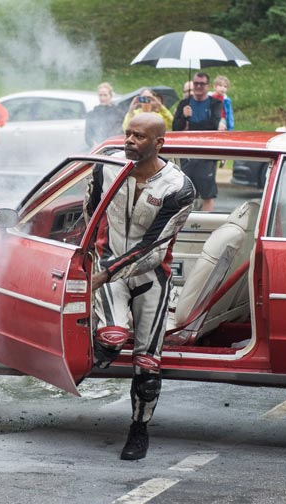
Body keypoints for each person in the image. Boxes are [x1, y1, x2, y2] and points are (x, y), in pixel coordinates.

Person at [86, 113, 195, 461]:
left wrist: (103, 274)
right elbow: (90, 214)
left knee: (148, 367)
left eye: (139, 136)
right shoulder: (105, 168)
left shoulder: (179, 187)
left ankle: (138, 430)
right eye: (127, 134)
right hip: (108, 267)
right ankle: (92, 350)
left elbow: (153, 247)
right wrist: (88, 258)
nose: (129, 140)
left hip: (151, 277)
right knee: (111, 340)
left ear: (159, 143)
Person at [173, 72, 223, 211]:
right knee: (185, 193)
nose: (199, 86)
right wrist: (184, 117)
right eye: (196, 83)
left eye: (202, 84)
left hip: (206, 155)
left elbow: (213, 125)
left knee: (207, 194)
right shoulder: (184, 103)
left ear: (208, 85)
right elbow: (176, 128)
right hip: (187, 155)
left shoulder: (215, 103)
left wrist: (191, 126)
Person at [85, 82, 123, 147]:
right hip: (96, 148)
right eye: (100, 95)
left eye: (105, 95)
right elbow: (88, 135)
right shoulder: (91, 114)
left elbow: (120, 133)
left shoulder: (119, 113)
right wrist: (93, 144)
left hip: (113, 147)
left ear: (110, 96)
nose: (102, 98)